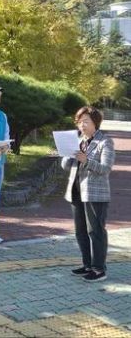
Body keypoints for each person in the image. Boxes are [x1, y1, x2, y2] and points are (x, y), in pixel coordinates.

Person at [61, 107, 115, 282]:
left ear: (95, 123)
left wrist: (86, 160)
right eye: (79, 121)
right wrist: (67, 156)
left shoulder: (105, 142)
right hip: (76, 192)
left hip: (95, 194)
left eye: (86, 121)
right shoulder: (78, 140)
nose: (82, 125)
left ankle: (99, 269)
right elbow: (66, 166)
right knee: (81, 231)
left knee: (95, 231)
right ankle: (87, 265)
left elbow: (105, 169)